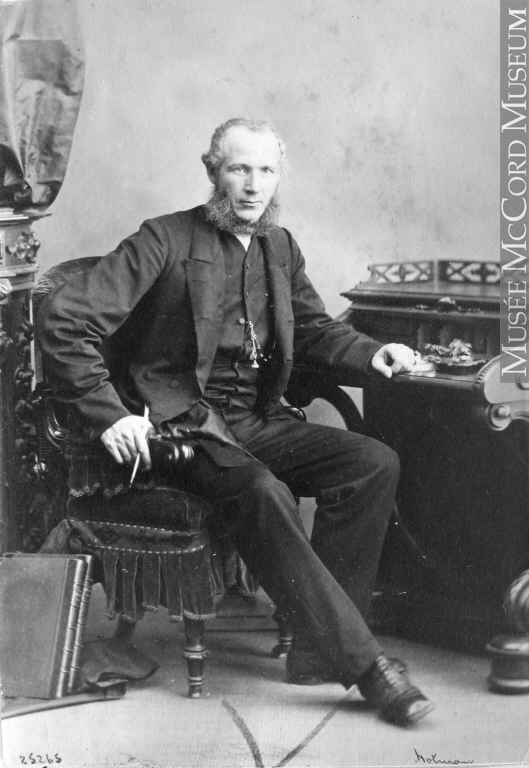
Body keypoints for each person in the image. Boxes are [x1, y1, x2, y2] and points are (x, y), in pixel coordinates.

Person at [38, 117, 434, 726]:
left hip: (254, 419)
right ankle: (366, 667)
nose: (253, 185)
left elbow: (314, 327)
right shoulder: (163, 239)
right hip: (181, 427)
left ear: (279, 176)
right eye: (239, 169)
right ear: (212, 171)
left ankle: (315, 652)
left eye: (266, 170)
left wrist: (371, 353)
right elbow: (64, 318)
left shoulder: (280, 246)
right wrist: (107, 414)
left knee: (372, 463)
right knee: (260, 490)